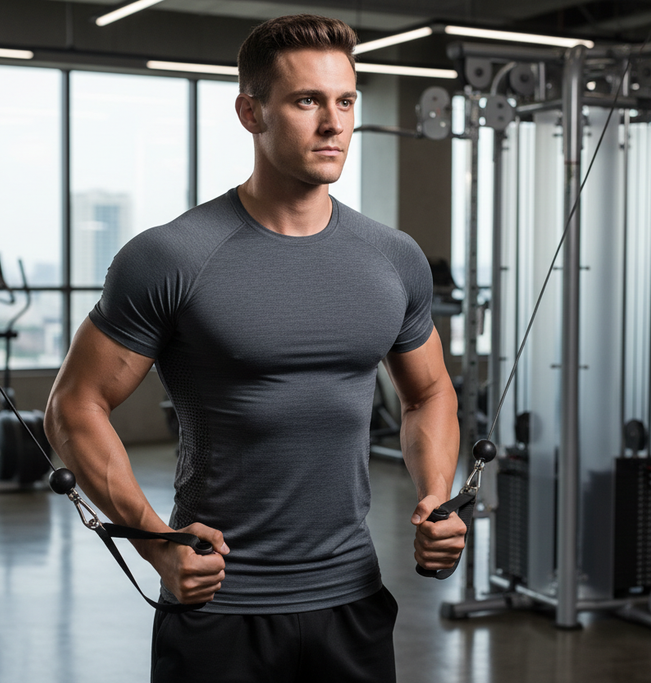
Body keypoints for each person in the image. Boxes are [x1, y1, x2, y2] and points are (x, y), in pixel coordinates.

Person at [44, 13, 464, 683]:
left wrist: (435, 497)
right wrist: (156, 541)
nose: (333, 123)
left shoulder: (394, 258)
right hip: (219, 607)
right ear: (250, 111)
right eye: (306, 100)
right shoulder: (171, 256)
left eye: (345, 100)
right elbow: (75, 404)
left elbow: (430, 391)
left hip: (352, 601)